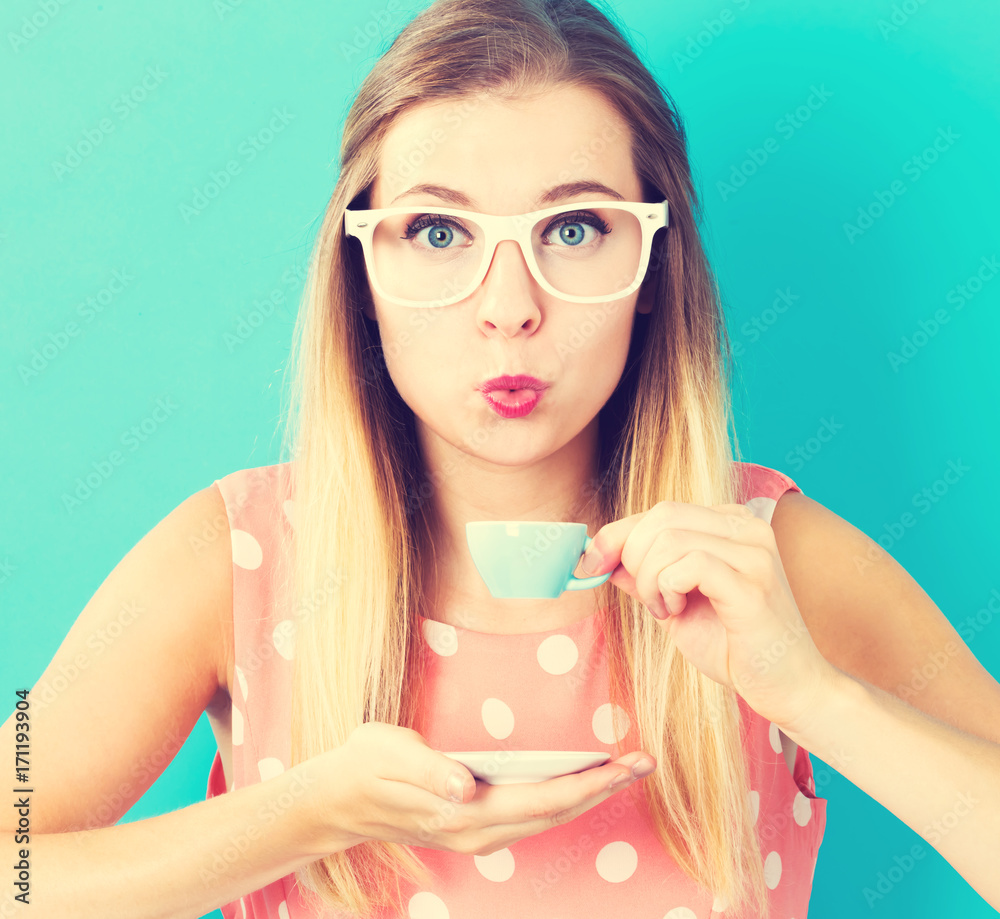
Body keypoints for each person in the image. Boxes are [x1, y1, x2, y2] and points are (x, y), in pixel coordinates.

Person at [3, 0, 1000, 917]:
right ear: (365, 272)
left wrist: (813, 697)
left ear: (654, 262)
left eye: (574, 228)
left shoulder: (765, 560)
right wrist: (310, 812)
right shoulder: (235, 558)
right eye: (438, 231)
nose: (508, 305)